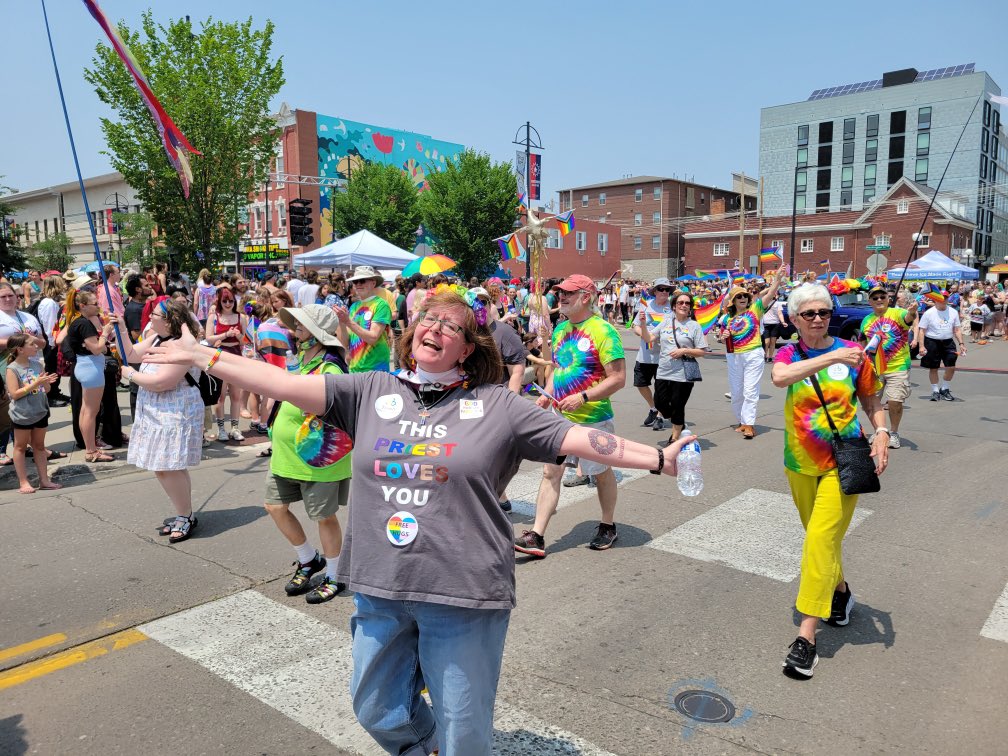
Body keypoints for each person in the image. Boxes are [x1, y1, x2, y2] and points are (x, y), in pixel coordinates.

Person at [143, 285, 693, 756]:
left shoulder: (498, 404)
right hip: (381, 584)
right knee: (377, 708)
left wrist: (657, 457)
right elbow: (276, 382)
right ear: (412, 332)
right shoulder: (371, 390)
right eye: (428, 318)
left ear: (468, 348)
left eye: (452, 325)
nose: (436, 327)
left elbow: (579, 438)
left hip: (463, 590)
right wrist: (200, 357)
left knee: (464, 726)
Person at [771, 283, 889, 679]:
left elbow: (872, 399)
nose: (818, 319)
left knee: (819, 540)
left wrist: (883, 432)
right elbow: (781, 378)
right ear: (794, 319)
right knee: (822, 539)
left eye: (824, 312)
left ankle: (806, 638)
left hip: (844, 462)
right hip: (800, 463)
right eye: (809, 314)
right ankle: (840, 592)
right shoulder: (790, 351)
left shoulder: (854, 355)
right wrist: (831, 357)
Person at [515, 274, 627, 558]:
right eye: (560, 293)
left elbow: (618, 378)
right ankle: (537, 536)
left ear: (585, 297)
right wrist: (546, 393)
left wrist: (584, 397)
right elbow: (558, 368)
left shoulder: (604, 331)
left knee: (600, 473)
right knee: (550, 471)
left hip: (594, 417)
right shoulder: (561, 329)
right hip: (559, 416)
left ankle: (607, 524)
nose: (561, 297)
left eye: (568, 293)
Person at [266, 304, 352, 604]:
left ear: (316, 334)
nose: (294, 330)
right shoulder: (303, 358)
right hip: (286, 454)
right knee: (275, 506)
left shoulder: (330, 366)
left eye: (301, 326)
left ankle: (335, 574)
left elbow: (327, 405)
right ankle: (308, 559)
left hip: (318, 458)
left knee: (324, 517)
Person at [119, 299, 205, 543]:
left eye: (154, 314)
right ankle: (185, 512)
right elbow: (131, 354)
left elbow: (162, 382)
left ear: (169, 320)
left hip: (175, 409)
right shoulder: (158, 338)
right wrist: (122, 330)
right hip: (156, 409)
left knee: (167, 466)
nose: (149, 318)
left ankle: (185, 515)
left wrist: (131, 375)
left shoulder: (182, 344)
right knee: (170, 466)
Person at [717, 266, 787, 439]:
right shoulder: (727, 318)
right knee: (736, 391)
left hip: (753, 354)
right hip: (733, 356)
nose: (742, 298)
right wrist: (723, 336)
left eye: (744, 296)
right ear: (733, 301)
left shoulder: (755, 310)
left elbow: (770, 294)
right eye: (738, 296)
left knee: (750, 390)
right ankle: (742, 421)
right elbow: (721, 337)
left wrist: (777, 279)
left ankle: (749, 424)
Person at [858, 284, 918, 449]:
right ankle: (879, 431)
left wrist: (912, 311)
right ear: (870, 301)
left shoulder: (897, 313)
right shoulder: (867, 320)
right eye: (875, 298)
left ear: (888, 299)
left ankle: (894, 433)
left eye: (882, 297)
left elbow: (908, 318)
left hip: (897, 366)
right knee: (871, 402)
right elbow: (862, 340)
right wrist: (860, 358)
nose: (879, 300)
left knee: (894, 401)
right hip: (874, 368)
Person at [62, 290, 117, 462]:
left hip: (86, 366)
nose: (98, 306)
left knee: (86, 411)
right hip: (90, 368)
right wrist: (106, 333)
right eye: (95, 303)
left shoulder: (78, 322)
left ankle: (90, 448)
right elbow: (96, 348)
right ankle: (91, 451)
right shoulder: (84, 324)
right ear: (83, 306)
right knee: (90, 412)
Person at [648, 291, 707, 446]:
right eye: (680, 303)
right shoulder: (666, 322)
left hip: (683, 374)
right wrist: (640, 323)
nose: (684, 305)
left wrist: (684, 350)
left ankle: (675, 437)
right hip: (663, 371)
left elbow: (702, 351)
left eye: (687, 303)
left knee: (678, 405)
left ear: (690, 308)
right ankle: (679, 423)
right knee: (660, 403)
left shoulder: (694, 326)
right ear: (674, 306)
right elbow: (649, 338)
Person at [5, 333, 60, 494]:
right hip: (22, 414)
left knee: (39, 446)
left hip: (40, 410)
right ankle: (23, 482)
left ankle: (44, 480)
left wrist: (47, 384)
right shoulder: (12, 369)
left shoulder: (37, 365)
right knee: (20, 447)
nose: (36, 346)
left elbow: (45, 390)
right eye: (31, 344)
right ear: (20, 349)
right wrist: (35, 383)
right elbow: (14, 394)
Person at [206, 286, 247, 441]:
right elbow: (209, 337)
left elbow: (246, 341)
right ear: (219, 301)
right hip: (220, 356)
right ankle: (222, 428)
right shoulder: (214, 317)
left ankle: (235, 428)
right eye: (225, 301)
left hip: (236, 355)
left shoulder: (240, 317)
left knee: (236, 395)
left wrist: (238, 337)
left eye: (231, 301)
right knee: (220, 396)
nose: (228, 304)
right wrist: (225, 335)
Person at [632, 278, 673, 431]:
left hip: (664, 355)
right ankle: (654, 408)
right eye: (661, 289)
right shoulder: (646, 306)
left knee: (662, 388)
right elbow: (635, 326)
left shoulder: (672, 308)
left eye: (667, 289)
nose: (664, 292)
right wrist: (643, 334)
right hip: (645, 354)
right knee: (640, 383)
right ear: (654, 291)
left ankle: (660, 417)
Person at [336, 265, 393, 373]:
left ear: (373, 283)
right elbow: (345, 342)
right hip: (354, 369)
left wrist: (348, 321)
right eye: (355, 281)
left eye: (362, 281)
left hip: (375, 370)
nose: (358, 284)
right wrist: (342, 323)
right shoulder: (354, 306)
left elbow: (372, 338)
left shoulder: (381, 305)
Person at [915, 291, 965, 402]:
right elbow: (922, 331)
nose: (943, 300)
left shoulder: (953, 312)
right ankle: (935, 391)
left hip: (948, 342)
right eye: (941, 298)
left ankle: (945, 388)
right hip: (932, 342)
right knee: (934, 368)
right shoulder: (929, 313)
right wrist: (921, 346)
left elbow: (957, 329)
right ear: (935, 300)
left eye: (946, 298)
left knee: (951, 366)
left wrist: (961, 343)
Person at [36, 275, 70, 407]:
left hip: (52, 341)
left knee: (55, 369)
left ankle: (55, 392)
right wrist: (54, 344)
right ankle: (51, 395)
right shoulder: (49, 303)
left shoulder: (50, 302)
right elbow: (50, 326)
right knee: (52, 369)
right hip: (51, 342)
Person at [761, 291, 789, 363]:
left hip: (775, 324)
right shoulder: (763, 302)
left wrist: (783, 322)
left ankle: (770, 357)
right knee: (766, 342)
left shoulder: (777, 304)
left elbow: (780, 314)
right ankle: (764, 356)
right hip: (765, 324)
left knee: (773, 342)